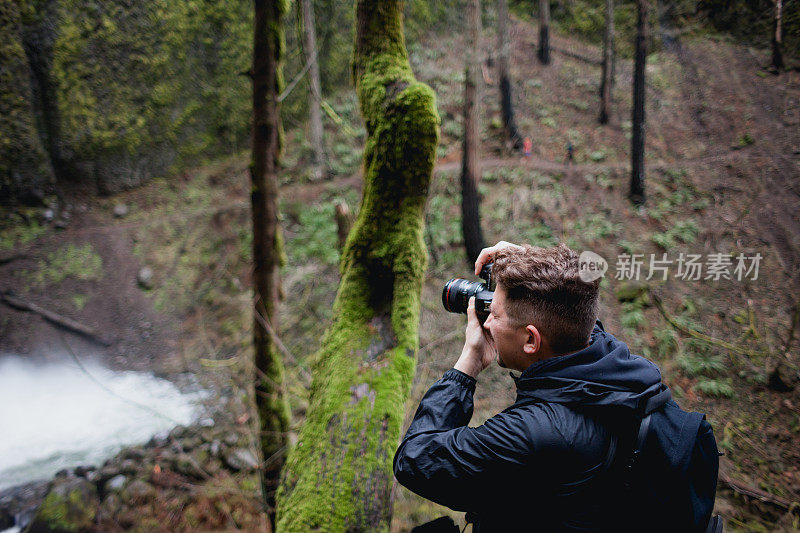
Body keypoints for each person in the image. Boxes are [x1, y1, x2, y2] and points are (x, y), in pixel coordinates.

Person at [393, 241, 719, 532]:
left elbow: (415, 459)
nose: (486, 321)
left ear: (531, 339)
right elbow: (575, 312)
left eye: (493, 313)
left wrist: (468, 364)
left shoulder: (534, 433)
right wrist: (532, 265)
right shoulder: (625, 374)